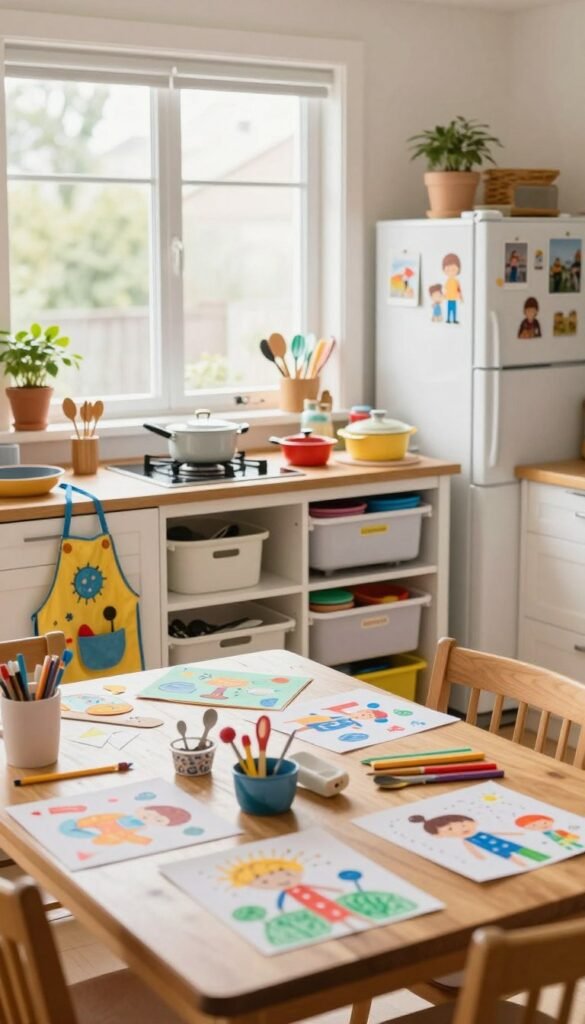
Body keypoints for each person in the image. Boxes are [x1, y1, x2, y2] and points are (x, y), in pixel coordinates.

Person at [409, 812, 550, 866]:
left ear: (473, 821)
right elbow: (471, 849)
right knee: (512, 859)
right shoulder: (467, 840)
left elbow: (499, 834)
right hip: (495, 850)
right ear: (438, 836)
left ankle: (540, 857)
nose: (461, 829)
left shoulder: (481, 833)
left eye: (463, 824)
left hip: (508, 844)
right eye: (450, 829)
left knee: (523, 850)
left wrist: (516, 834)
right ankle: (523, 864)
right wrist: (479, 857)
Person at [59, 804, 192, 846]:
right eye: (149, 814)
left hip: (110, 834)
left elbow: (128, 835)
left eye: (159, 820)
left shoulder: (138, 827)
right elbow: (98, 818)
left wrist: (144, 840)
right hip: (94, 826)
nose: (151, 819)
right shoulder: (119, 815)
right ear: (142, 810)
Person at [514, 814, 583, 851]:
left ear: (551, 821)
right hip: (560, 846)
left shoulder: (559, 831)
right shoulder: (542, 836)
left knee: (575, 845)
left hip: (569, 842)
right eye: (533, 825)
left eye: (544, 823)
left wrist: (574, 838)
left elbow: (571, 836)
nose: (542, 826)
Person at [442, 254, 463, 324]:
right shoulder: (447, 281)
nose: (451, 272)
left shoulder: (456, 281)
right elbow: (445, 289)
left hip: (454, 298)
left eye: (453, 269)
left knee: (454, 309)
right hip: (449, 298)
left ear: (458, 269)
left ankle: (453, 319)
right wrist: (443, 296)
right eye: (448, 270)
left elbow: (459, 289)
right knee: (449, 309)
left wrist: (461, 297)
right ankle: (448, 319)